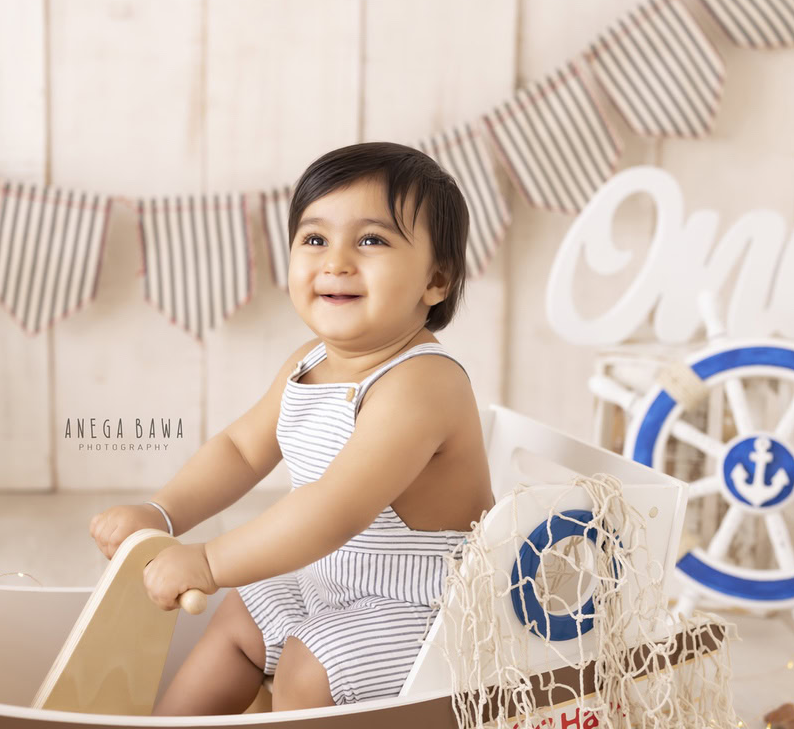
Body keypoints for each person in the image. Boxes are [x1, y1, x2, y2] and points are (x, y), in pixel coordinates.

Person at [88, 141, 495, 714]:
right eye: (315, 238)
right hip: (332, 579)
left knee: (310, 665)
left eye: (372, 240)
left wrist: (207, 561)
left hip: (426, 608)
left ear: (436, 279)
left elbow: (332, 510)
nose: (336, 261)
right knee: (241, 615)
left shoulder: (423, 383)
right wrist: (163, 514)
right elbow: (239, 450)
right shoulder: (309, 362)